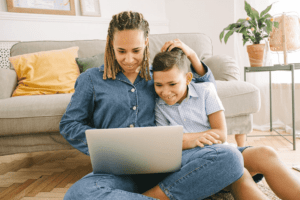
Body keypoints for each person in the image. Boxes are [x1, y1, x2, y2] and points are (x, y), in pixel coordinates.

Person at [60, 10, 247, 200]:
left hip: (170, 164)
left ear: (146, 43)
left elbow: (206, 90)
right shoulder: (90, 79)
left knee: (229, 158)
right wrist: (104, 145)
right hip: (118, 171)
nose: (129, 59)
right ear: (110, 44)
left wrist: (191, 55)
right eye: (121, 51)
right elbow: (69, 124)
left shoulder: (159, 76)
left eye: (136, 50)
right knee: (77, 194)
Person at [152, 45, 300, 200]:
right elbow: (167, 144)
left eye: (172, 84)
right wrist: (194, 140)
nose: (165, 92)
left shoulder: (206, 91)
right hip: (193, 164)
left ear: (188, 78)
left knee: (265, 153)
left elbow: (221, 134)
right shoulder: (158, 105)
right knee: (237, 172)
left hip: (222, 151)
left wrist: (185, 139)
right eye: (159, 85)